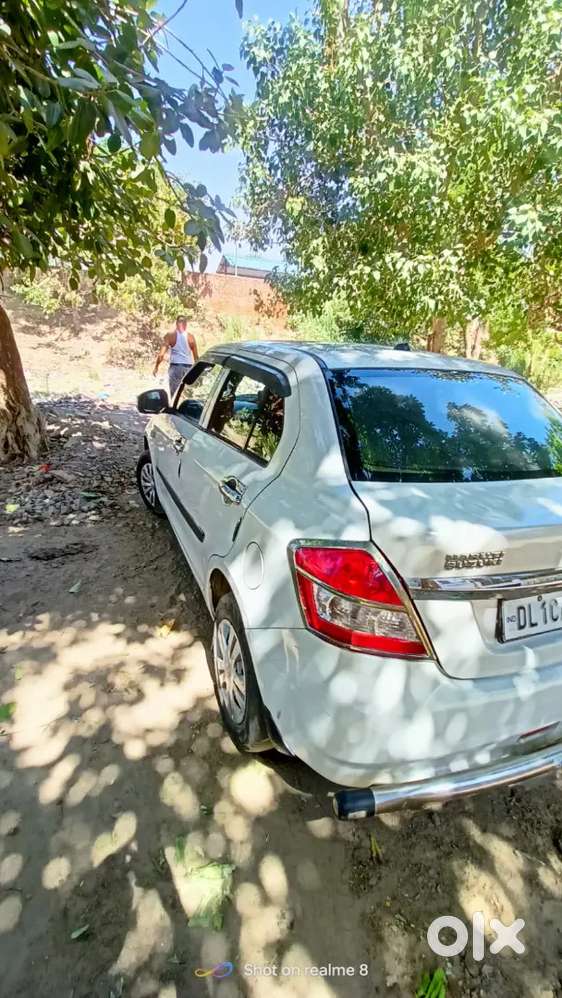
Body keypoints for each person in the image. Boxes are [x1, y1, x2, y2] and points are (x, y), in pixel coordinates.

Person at [153, 316, 199, 398]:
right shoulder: (191, 337)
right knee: (187, 394)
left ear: (176, 324)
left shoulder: (170, 336)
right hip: (188, 368)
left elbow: (161, 355)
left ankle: (175, 409)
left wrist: (156, 367)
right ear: (185, 325)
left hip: (175, 368)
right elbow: (196, 358)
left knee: (174, 395)